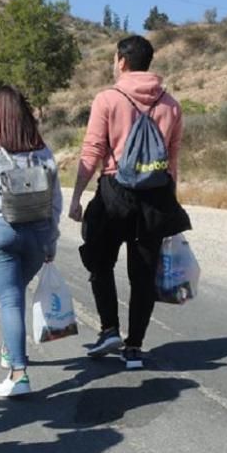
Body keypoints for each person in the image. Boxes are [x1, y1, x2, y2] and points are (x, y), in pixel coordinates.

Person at [68, 35, 189, 370]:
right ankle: (134, 347)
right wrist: (170, 201)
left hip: (114, 194)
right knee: (143, 273)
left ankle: (109, 328)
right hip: (155, 197)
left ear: (121, 61)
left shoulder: (108, 98)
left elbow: (92, 149)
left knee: (99, 260)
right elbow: (172, 159)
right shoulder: (171, 104)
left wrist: (77, 195)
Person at [0, 86, 62, 397]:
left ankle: (18, 374)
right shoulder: (41, 149)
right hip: (39, 233)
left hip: (0, 231)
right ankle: (11, 349)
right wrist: (52, 235)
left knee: (10, 300)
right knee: (16, 295)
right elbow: (55, 198)